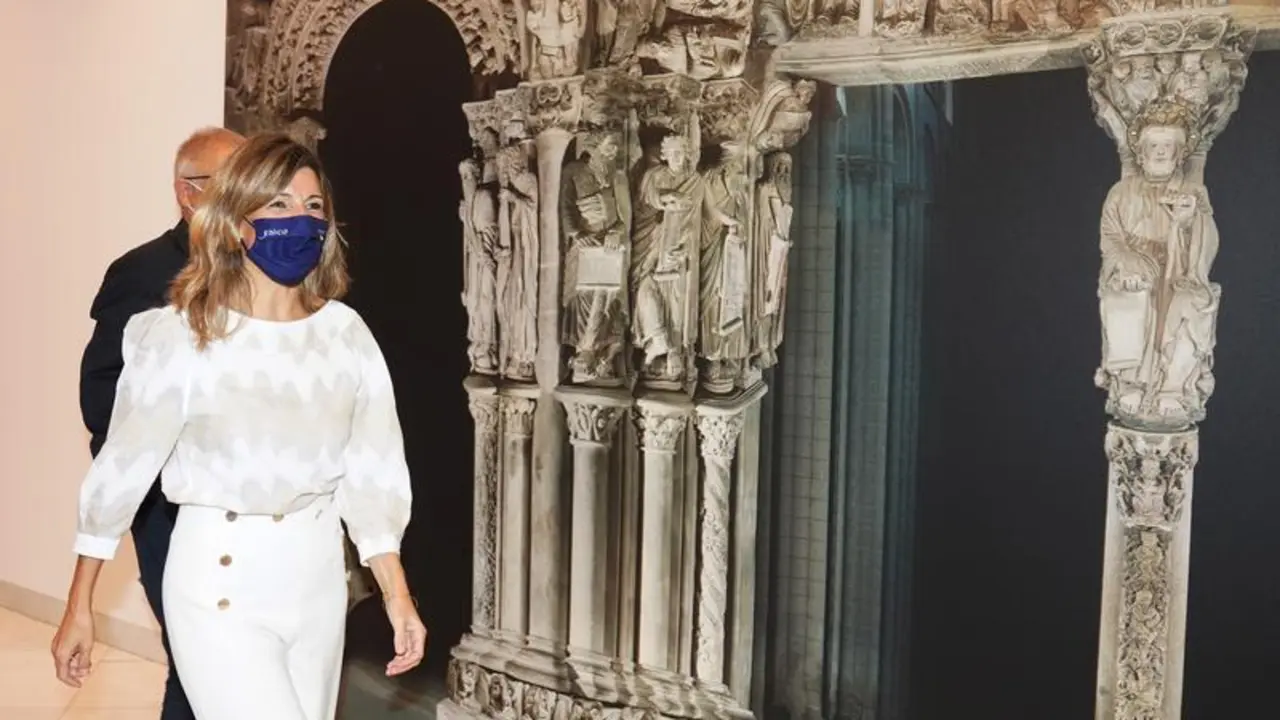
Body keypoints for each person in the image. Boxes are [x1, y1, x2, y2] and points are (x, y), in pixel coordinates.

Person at [52, 133, 427, 720]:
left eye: (313, 206)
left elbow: (373, 475)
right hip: (219, 585)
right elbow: (122, 469)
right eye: (278, 203)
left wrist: (397, 596)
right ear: (235, 220)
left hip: (317, 587)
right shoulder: (182, 334)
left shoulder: (345, 335)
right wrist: (80, 604)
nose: (300, 219)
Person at [73, 126, 244, 720]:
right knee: (195, 665)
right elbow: (103, 398)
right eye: (231, 181)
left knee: (232, 670)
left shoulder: (265, 273)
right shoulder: (142, 272)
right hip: (169, 512)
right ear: (187, 193)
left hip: (243, 515)